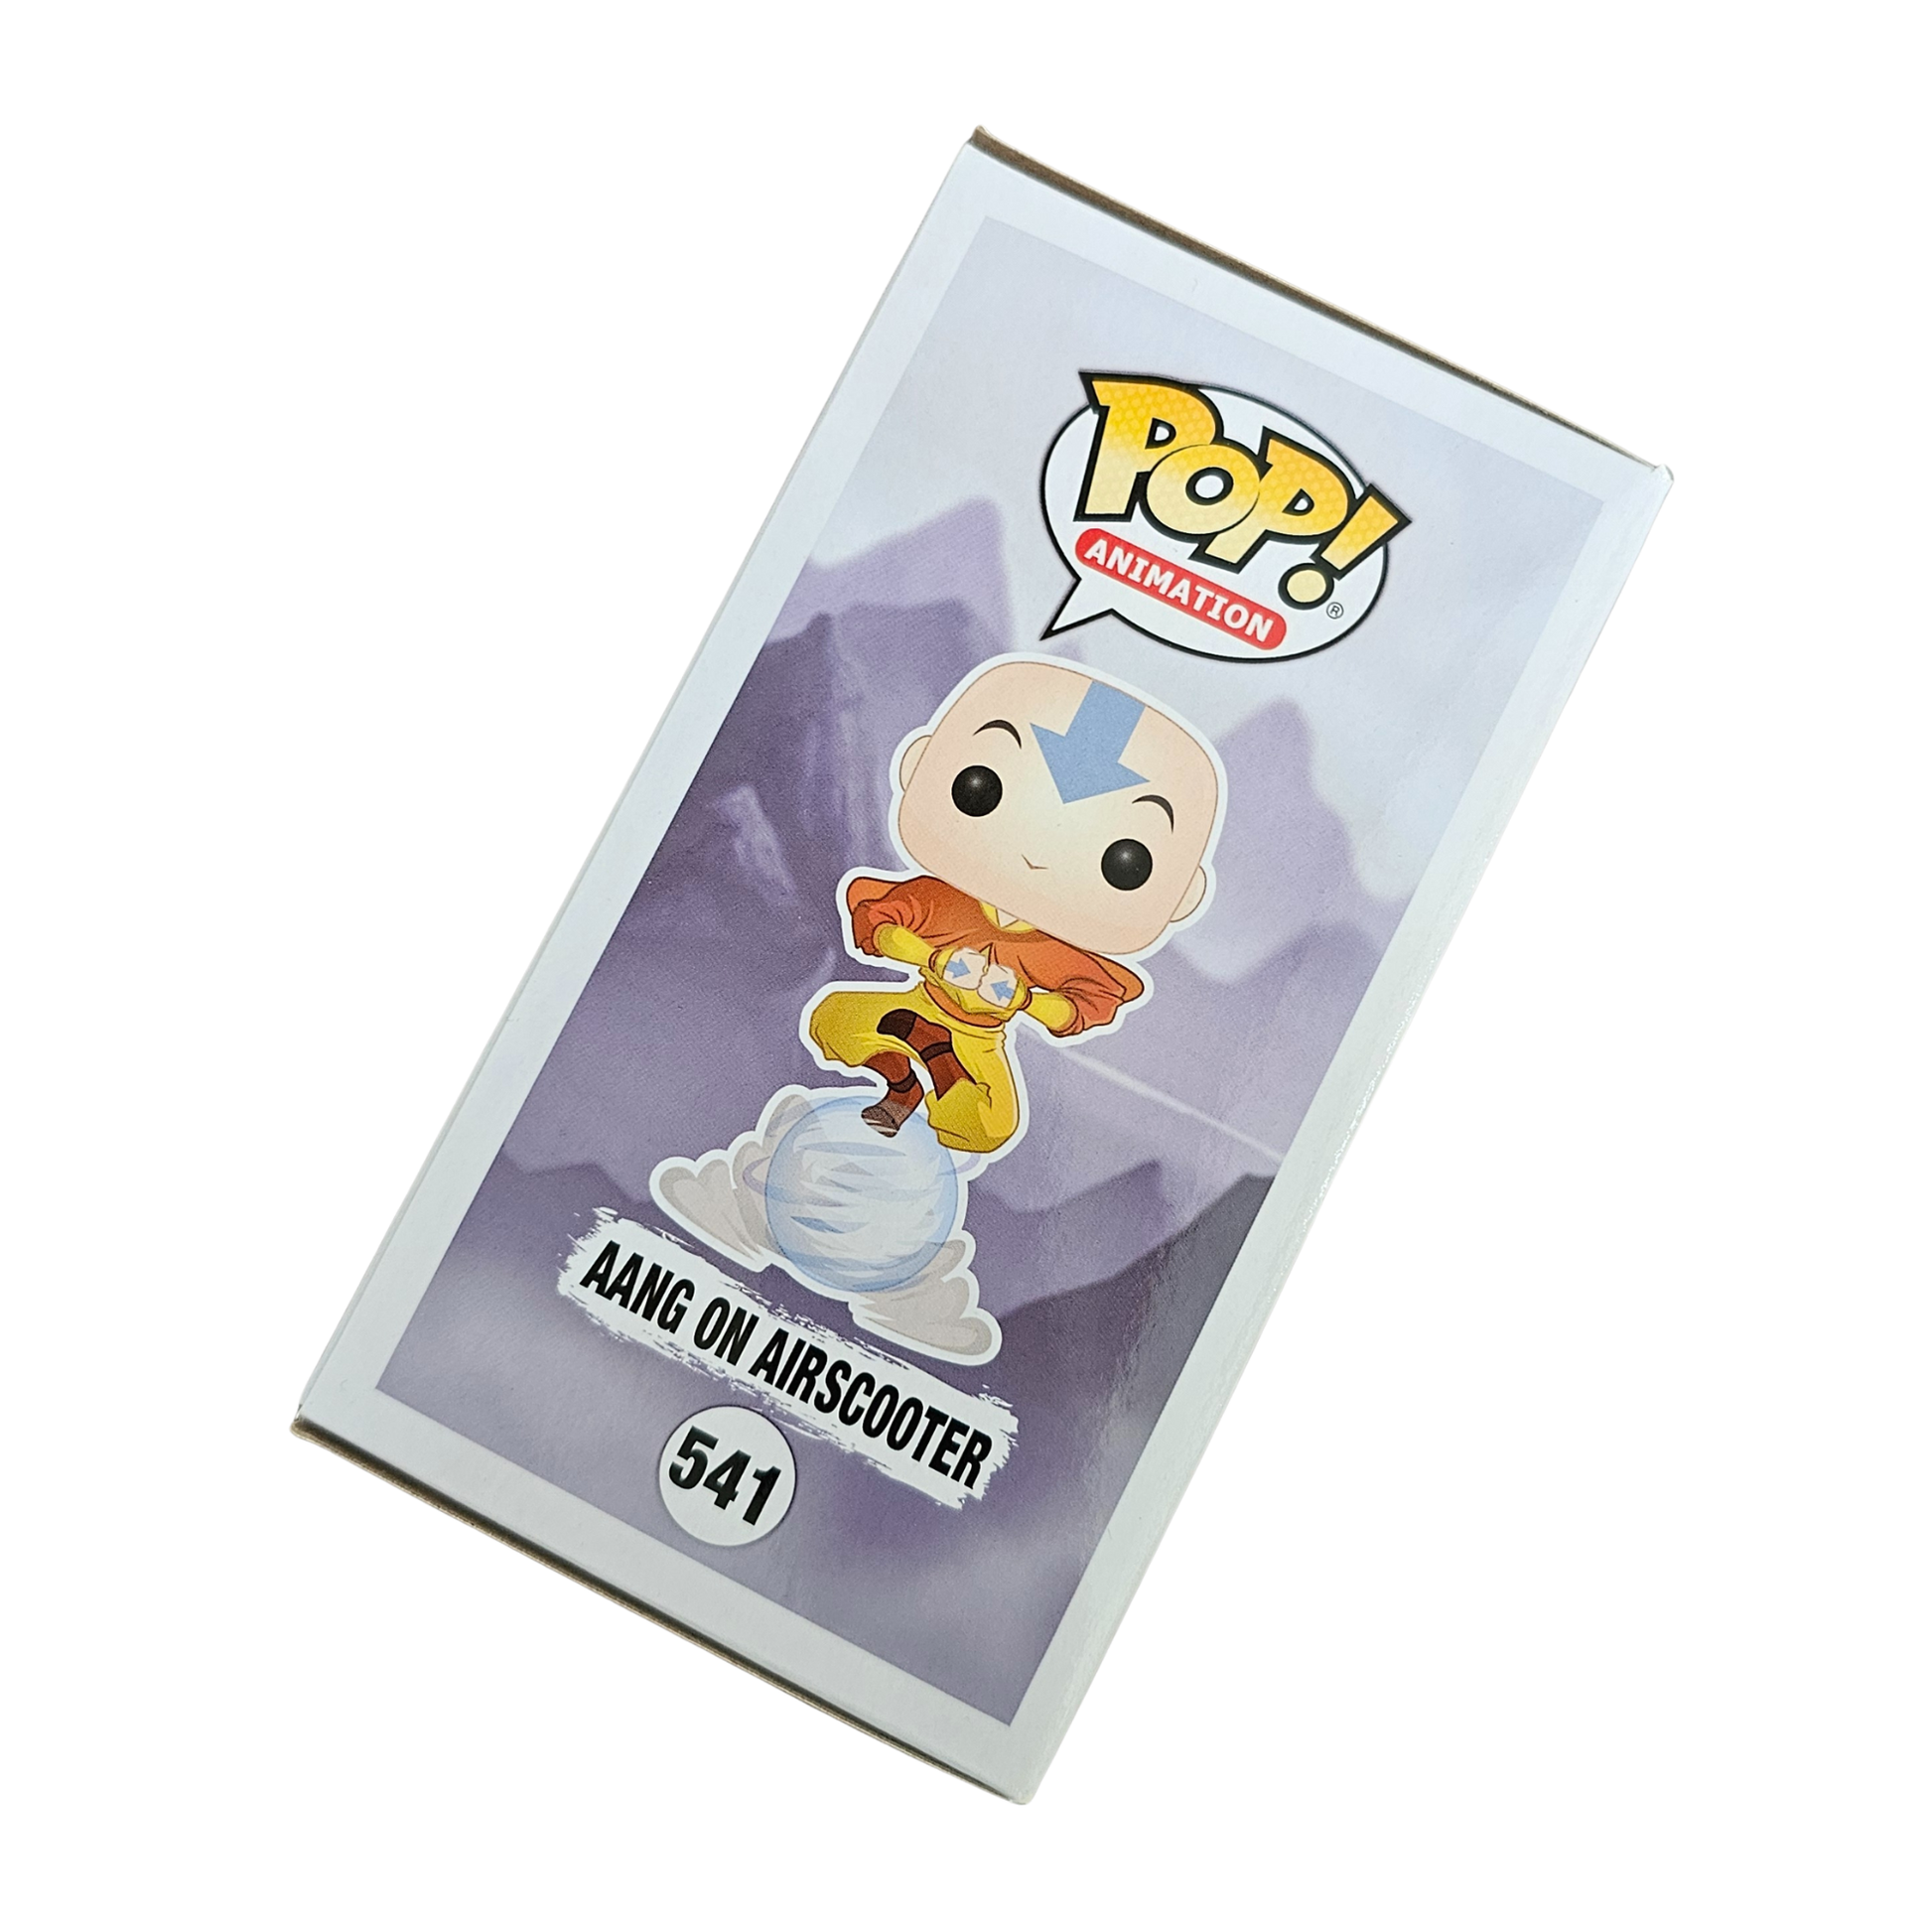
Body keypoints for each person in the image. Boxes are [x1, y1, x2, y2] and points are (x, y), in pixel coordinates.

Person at [807, 656, 1223, 1158]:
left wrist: (1023, 999)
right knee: (831, 1021)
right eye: (979, 788)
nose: (1038, 854)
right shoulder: (946, 901)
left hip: (981, 1037)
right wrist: (932, 958)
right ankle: (904, 1082)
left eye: (1125, 862)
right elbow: (880, 922)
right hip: (919, 1000)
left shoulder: (1058, 950)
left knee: (989, 1126)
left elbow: (1081, 1005)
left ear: (1184, 894)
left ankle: (937, 1057)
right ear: (918, 764)